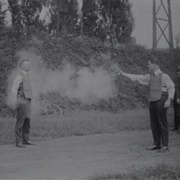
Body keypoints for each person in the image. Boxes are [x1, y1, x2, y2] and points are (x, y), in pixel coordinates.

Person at [117, 57, 175, 152]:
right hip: (152, 101)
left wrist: (169, 99)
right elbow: (137, 77)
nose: (147, 65)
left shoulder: (164, 76)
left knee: (162, 122)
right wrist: (123, 74)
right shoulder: (149, 76)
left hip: (161, 100)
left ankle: (165, 145)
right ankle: (156, 144)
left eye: (149, 64)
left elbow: (171, 87)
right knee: (154, 123)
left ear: (154, 64)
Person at [12, 59, 35, 148]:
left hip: (28, 100)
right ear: (22, 66)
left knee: (27, 120)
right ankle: (18, 142)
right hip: (21, 100)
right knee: (20, 121)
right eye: (27, 64)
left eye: (29, 64)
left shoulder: (27, 76)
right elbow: (14, 89)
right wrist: (14, 101)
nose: (29, 65)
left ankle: (26, 140)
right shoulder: (19, 76)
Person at [172, 65, 180, 133]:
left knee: (179, 112)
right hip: (176, 98)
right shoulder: (175, 79)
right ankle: (176, 126)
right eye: (178, 71)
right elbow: (175, 89)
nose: (179, 72)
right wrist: (177, 98)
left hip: (178, 98)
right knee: (176, 112)